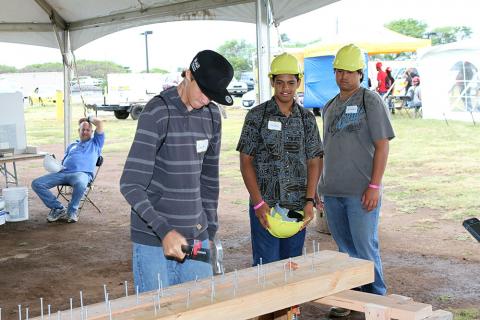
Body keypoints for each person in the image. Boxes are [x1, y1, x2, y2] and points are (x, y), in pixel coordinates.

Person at [119, 50, 233, 292]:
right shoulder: (157, 113)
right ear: (188, 75)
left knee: (201, 310)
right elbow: (130, 184)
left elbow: (209, 180)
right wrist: (164, 231)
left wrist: (210, 232)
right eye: (203, 92)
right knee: (158, 313)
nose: (205, 100)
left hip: (196, 238)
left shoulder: (212, 116)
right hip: (153, 241)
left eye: (212, 96)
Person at [318, 44, 395, 315]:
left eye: (349, 72)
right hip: (332, 191)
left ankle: (378, 300)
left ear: (360, 73)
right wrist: (319, 188)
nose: (343, 77)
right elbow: (325, 150)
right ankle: (351, 299)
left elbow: (382, 146)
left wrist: (374, 186)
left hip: (361, 191)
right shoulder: (328, 106)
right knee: (344, 250)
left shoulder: (370, 101)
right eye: (339, 71)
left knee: (364, 247)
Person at [237, 53, 323, 266]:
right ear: (272, 82)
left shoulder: (307, 119)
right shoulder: (257, 116)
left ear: (298, 83)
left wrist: (309, 200)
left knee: (292, 265)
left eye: (291, 83)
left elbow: (314, 161)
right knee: (266, 267)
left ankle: (292, 302)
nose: (286, 88)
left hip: (297, 205)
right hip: (265, 204)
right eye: (280, 82)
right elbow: (246, 161)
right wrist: (258, 203)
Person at [31, 115, 104, 223]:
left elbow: (100, 123)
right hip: (62, 172)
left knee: (80, 182)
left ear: (92, 132)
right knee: (36, 183)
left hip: (81, 174)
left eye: (88, 130)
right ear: (79, 131)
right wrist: (55, 165)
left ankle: (72, 211)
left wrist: (88, 118)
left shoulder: (96, 143)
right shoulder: (72, 145)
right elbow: (64, 161)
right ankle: (58, 208)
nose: (85, 132)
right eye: (83, 129)